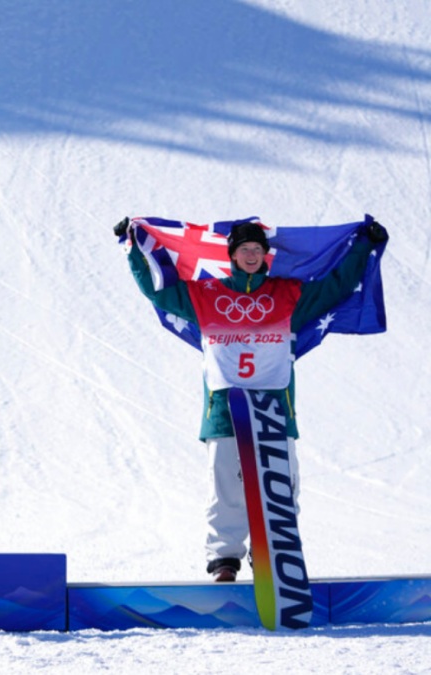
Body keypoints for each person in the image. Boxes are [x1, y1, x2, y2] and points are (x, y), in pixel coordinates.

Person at [116, 216, 388, 582]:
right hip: (225, 409)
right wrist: (133, 247)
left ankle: (274, 553)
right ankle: (224, 559)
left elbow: (335, 287)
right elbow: (159, 291)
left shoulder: (288, 295)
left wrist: (363, 246)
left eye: (257, 249)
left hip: (275, 407)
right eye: (244, 249)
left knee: (279, 485)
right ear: (232, 254)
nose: (250, 254)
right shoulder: (206, 294)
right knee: (225, 485)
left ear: (265, 256)